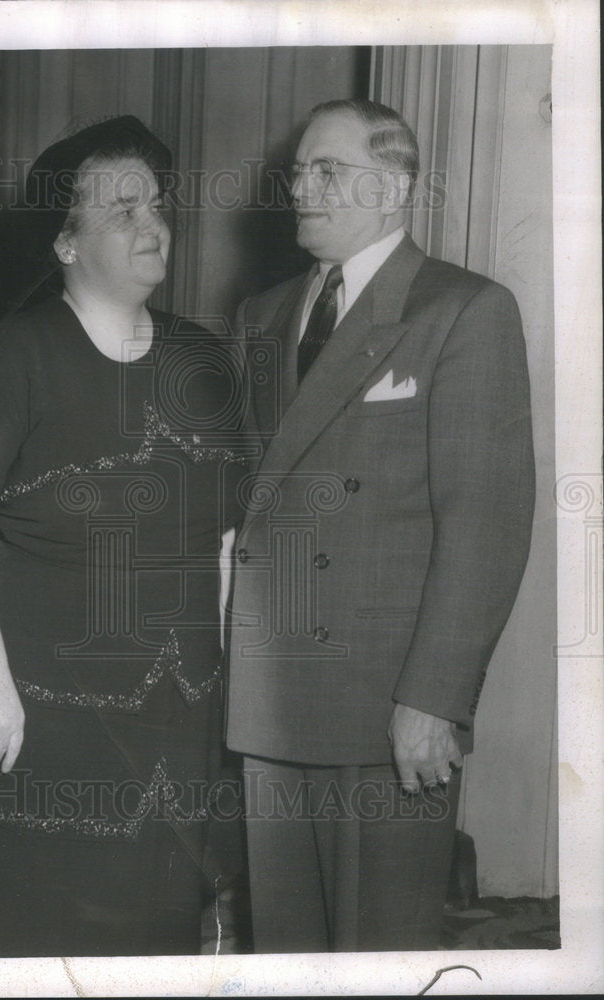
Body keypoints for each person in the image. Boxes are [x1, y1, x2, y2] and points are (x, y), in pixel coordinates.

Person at [0, 116, 246, 957]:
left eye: (157, 206)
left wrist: (230, 669)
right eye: (123, 211)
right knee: (35, 919)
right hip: (42, 700)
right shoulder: (14, 356)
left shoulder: (201, 358)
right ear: (65, 243)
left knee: (155, 911)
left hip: (180, 697)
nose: (153, 224)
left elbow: (227, 536)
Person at [225, 98, 535, 952]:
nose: (300, 188)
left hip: (387, 699)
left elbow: (486, 524)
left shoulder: (463, 311)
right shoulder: (260, 314)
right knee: (285, 944)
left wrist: (432, 698)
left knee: (379, 948)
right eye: (298, 171)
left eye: (325, 170)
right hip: (272, 690)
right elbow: (244, 499)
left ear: (393, 185)